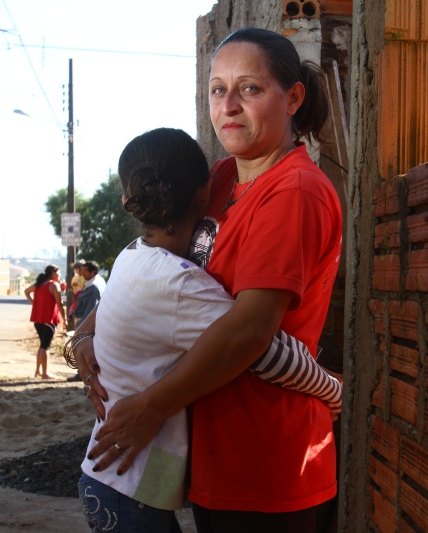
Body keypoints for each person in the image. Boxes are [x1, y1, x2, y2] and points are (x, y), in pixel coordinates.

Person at [75, 28, 341, 533]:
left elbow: (248, 332)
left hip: (268, 466)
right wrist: (90, 326)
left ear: (294, 98)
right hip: (216, 455)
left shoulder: (295, 192)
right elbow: (155, 262)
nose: (230, 106)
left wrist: (151, 406)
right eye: (219, 90)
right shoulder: (221, 178)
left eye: (250, 89)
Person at [24, 264, 66, 379]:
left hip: (38, 320)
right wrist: (65, 319)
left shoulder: (39, 285)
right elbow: (60, 304)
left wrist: (34, 302)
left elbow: (26, 291)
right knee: (45, 347)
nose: (60, 275)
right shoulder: (53, 285)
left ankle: (38, 371)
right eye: (58, 272)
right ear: (53, 273)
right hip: (49, 320)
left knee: (42, 345)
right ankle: (45, 373)